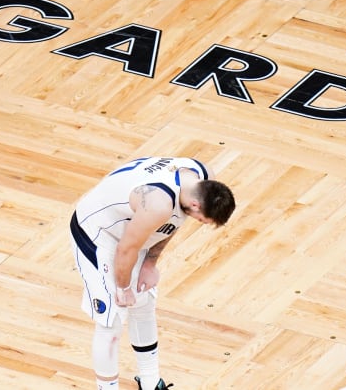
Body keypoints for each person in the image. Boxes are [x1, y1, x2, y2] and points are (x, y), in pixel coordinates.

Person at [69, 156, 236, 390]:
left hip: (133, 231)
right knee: (112, 320)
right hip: (99, 234)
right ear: (197, 206)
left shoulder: (201, 176)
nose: (198, 222)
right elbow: (125, 248)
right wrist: (123, 287)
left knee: (144, 302)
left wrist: (150, 263)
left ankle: (150, 382)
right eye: (202, 220)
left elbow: (174, 222)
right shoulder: (158, 203)